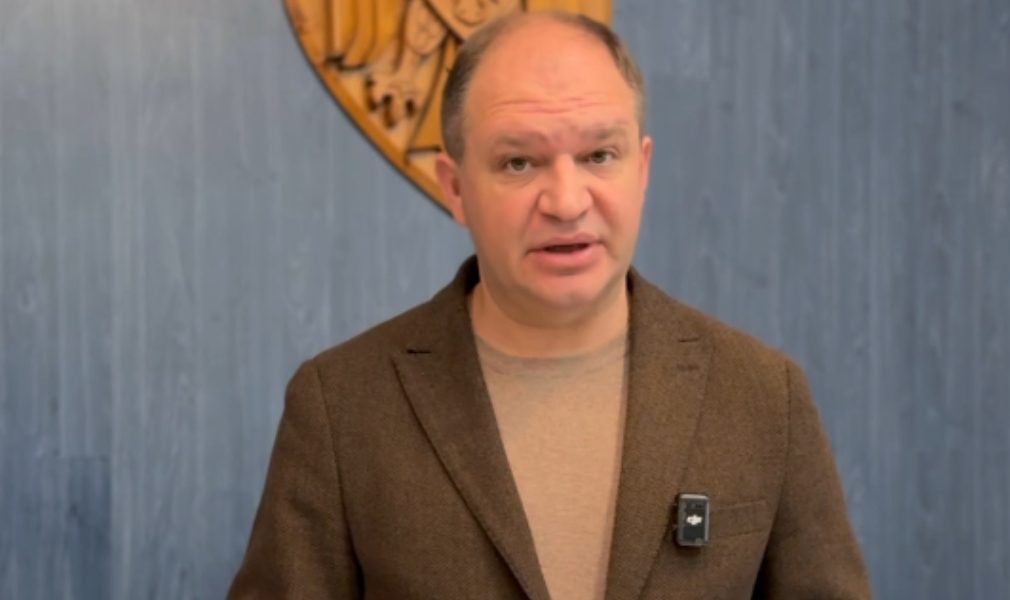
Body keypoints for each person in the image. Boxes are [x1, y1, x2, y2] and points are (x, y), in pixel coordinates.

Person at [229, 11, 871, 599]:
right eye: (518, 163)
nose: (566, 201)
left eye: (599, 155)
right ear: (455, 188)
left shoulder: (764, 397)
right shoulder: (341, 406)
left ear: (641, 170)